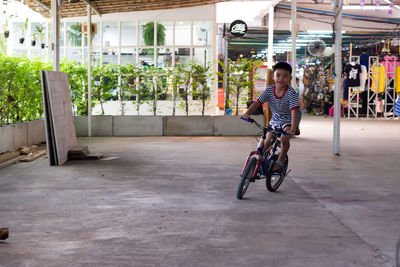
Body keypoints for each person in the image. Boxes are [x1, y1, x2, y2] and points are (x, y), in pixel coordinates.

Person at [242, 62, 301, 171]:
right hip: (276, 119)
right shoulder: (269, 90)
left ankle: (282, 158)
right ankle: (264, 161)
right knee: (267, 141)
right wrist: (247, 113)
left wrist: (293, 128)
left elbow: (294, 111)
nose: (281, 79)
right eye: (278, 75)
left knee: (284, 137)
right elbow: (257, 102)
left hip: (289, 119)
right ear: (273, 76)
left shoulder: (291, 93)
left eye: (285, 76)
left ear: (290, 78)